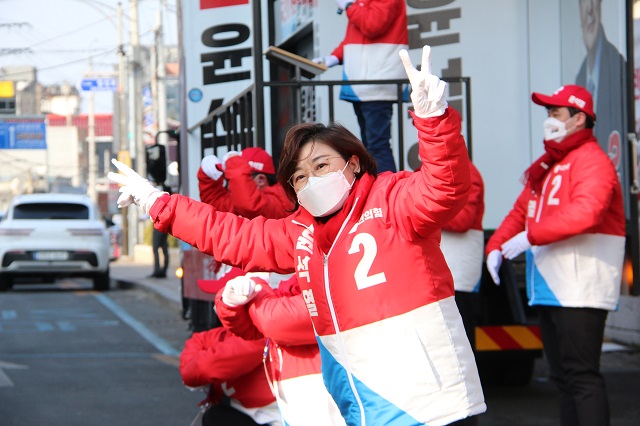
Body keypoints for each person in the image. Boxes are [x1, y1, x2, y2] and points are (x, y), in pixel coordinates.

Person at [109, 45, 486, 425]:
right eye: (300, 177)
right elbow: (231, 235)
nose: (312, 180)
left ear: (353, 163)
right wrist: (159, 203)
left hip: (433, 408)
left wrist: (432, 120)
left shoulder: (392, 198)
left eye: (322, 165)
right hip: (363, 409)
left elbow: (445, 188)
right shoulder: (301, 233)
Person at [485, 84, 625, 426]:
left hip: (581, 287)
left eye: (555, 113)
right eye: (547, 113)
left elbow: (586, 213)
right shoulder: (548, 164)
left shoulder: (593, 161)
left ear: (579, 119)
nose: (548, 120)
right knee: (562, 378)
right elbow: (520, 211)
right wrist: (495, 247)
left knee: (581, 376)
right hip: (552, 286)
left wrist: (528, 236)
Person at [213, 273, 346, 426]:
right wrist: (229, 303)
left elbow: (276, 322)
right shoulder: (292, 282)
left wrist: (258, 283)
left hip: (321, 397)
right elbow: (249, 326)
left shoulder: (328, 279)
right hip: (296, 401)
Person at [312, 0, 408, 173]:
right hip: (364, 83)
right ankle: (377, 191)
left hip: (378, 82)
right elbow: (353, 41)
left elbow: (372, 25)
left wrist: (349, 7)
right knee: (370, 146)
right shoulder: (361, 4)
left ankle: (389, 192)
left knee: (377, 145)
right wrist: (331, 59)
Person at [179, 320, 282, 426]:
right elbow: (197, 344)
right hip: (243, 411)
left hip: (273, 417)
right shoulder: (223, 334)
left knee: (215, 417)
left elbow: (203, 368)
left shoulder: (262, 333)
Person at [440, 161, 485, 351]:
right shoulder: (433, 170)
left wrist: (424, 207)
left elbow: (463, 219)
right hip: (444, 273)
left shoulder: (464, 171)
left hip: (457, 275)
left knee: (459, 346)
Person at [575, 0, 626, 157]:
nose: (590, 9)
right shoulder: (580, 78)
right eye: (584, 1)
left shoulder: (618, 69)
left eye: (594, 0)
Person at [198, 147, 294, 219]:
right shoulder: (239, 201)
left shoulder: (282, 200)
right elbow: (214, 203)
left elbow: (250, 205)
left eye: (244, 177)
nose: (232, 185)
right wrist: (207, 177)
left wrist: (234, 163)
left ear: (261, 180)